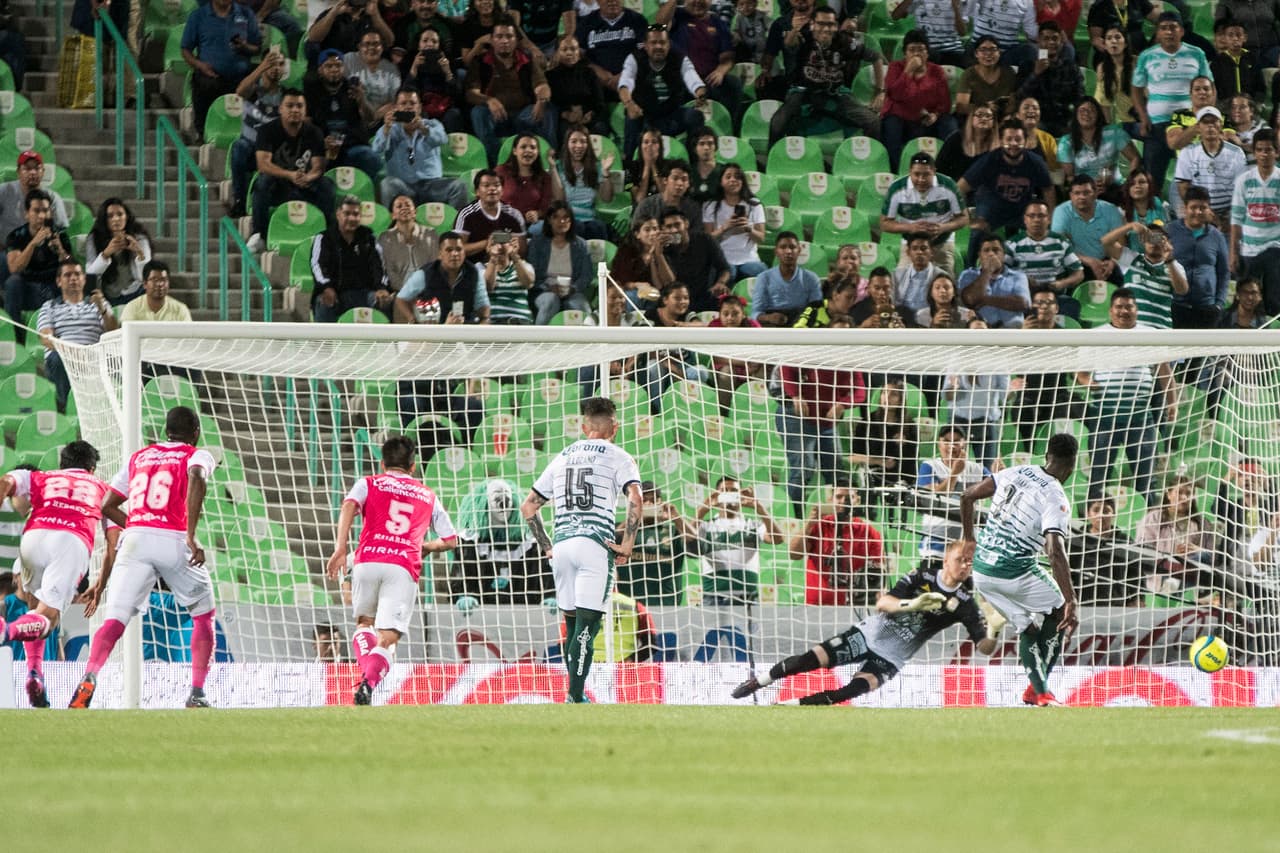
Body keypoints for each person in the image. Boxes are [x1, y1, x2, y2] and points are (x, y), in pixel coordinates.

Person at [69, 406, 218, 710]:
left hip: (134, 539)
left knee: (115, 619)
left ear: (165, 432)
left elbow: (107, 505)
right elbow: (197, 477)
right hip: (174, 539)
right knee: (203, 615)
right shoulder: (197, 454)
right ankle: (197, 692)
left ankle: (89, 676)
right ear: (196, 432)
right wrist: (190, 535)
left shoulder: (139, 457)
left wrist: (139, 524)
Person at [733, 540, 998, 704]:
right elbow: (883, 604)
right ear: (946, 559)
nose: (965, 566)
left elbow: (984, 647)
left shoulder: (965, 603)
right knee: (808, 660)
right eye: (960, 560)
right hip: (868, 635)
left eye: (969, 562)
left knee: (855, 689)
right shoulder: (921, 576)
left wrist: (994, 629)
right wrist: (913, 604)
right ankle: (759, 681)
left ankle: (792, 706)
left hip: (893, 656)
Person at [521, 396, 643, 703]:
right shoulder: (620, 456)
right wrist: (627, 544)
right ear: (614, 427)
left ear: (584, 425)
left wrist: (547, 546)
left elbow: (529, 506)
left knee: (573, 624)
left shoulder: (562, 456)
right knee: (588, 625)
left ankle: (575, 694)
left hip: (562, 545)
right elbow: (636, 498)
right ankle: (575, 695)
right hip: (594, 545)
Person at [325, 434, 457, 704]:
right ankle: (369, 682)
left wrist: (340, 548)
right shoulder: (426, 494)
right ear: (413, 465)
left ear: (382, 463)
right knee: (388, 639)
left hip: (367, 561)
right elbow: (451, 540)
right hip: (402, 566)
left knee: (364, 624)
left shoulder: (369, 483)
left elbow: (349, 504)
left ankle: (367, 673)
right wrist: (427, 547)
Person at [960, 433, 1079, 707]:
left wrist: (969, 538)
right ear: (1071, 466)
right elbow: (1054, 551)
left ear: (1046, 456)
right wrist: (1071, 599)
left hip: (982, 571)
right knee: (1060, 611)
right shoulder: (1055, 496)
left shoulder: (1015, 471)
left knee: (1027, 625)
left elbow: (967, 496)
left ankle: (1038, 693)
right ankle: (1039, 691)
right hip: (1013, 571)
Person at [0, 441, 113, 708]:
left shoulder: (41, 476)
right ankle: (5, 631)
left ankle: (34, 674)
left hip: (33, 537)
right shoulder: (103, 489)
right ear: (92, 468)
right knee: (48, 618)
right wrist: (101, 583)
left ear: (62, 464)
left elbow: (5, 482)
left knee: (34, 609)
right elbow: (112, 543)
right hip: (70, 542)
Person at [1074, 288, 1177, 508]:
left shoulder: (1150, 334)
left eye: (1129, 306)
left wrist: (1172, 402)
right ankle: (1092, 528)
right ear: (1110, 310)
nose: (1124, 311)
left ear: (1136, 310)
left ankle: (1148, 529)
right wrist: (1089, 383)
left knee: (1146, 479)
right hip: (1105, 416)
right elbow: (1081, 374)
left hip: (1141, 418)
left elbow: (1164, 371)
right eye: (1119, 306)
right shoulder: (1095, 335)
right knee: (1099, 476)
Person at [767, 5, 883, 147]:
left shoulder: (844, 41)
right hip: (803, 92)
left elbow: (877, 58)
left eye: (831, 24)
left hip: (835, 93)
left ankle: (870, 161)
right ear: (812, 24)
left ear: (836, 26)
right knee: (778, 122)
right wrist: (794, 30)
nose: (826, 29)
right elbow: (789, 44)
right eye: (821, 24)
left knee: (873, 121)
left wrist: (880, 91)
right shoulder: (803, 37)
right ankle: (772, 159)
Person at [1131, 11, 1211, 201]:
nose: (1168, 32)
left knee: (1193, 177)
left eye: (1173, 27)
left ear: (1181, 31)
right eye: (1164, 28)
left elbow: (1209, 86)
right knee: (1152, 178)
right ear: (1157, 33)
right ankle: (1155, 220)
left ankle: (1191, 216)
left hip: (1188, 126)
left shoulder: (1196, 53)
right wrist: (1143, 117)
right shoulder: (1147, 56)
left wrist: (1206, 115)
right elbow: (1136, 89)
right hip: (1156, 126)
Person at [248, 87, 336, 254]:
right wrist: (290, 175)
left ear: (305, 110)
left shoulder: (314, 132)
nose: (295, 110)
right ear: (280, 108)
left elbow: (318, 166)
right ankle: (260, 235)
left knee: (327, 185)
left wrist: (309, 178)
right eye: (290, 105)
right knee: (262, 182)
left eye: (299, 106)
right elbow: (263, 164)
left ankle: (328, 237)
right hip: (279, 185)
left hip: (303, 184)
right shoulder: (267, 131)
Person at [776, 361, 864, 517]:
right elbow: (786, 367)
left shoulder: (849, 360)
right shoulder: (811, 350)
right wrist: (795, 395)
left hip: (826, 422)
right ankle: (793, 518)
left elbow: (860, 392)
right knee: (804, 467)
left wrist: (843, 404)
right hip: (796, 416)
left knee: (835, 471)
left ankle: (839, 518)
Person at [465, 16, 556, 166]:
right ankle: (497, 165)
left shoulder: (527, 59)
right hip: (496, 117)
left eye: (509, 36)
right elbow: (471, 93)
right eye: (499, 36)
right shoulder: (480, 62)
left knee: (548, 110)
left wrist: (542, 100)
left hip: (523, 115)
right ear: (492, 40)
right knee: (478, 112)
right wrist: (489, 100)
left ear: (516, 40)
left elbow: (542, 86)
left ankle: (551, 162)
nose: (504, 41)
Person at [957, 121, 1054, 260]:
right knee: (977, 233)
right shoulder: (989, 160)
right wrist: (967, 217)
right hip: (991, 207)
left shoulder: (1036, 162)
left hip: (1022, 209)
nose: (1013, 143)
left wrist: (1050, 217)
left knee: (1044, 231)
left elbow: (1048, 189)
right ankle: (969, 271)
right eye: (1009, 139)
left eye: (1018, 139)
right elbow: (960, 188)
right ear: (1001, 141)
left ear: (1025, 142)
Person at [447, 478, 553, 606]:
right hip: (482, 614)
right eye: (497, 497)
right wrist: (463, 595)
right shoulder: (468, 544)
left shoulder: (531, 545)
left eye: (507, 497)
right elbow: (460, 575)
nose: (504, 504)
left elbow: (543, 574)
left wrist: (550, 595)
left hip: (523, 612)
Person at [786, 481, 885, 605]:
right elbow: (794, 554)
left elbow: (878, 570)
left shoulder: (868, 532)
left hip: (852, 605)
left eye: (849, 497)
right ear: (830, 499)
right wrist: (809, 523)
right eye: (839, 497)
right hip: (816, 604)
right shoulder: (818, 525)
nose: (843, 501)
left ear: (857, 501)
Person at [37, 261, 118, 412]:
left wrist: (102, 309)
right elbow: (46, 339)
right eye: (67, 275)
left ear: (84, 279)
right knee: (55, 358)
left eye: (77, 274)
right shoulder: (49, 306)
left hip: (93, 357)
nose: (73, 278)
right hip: (64, 357)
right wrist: (72, 352)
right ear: (59, 281)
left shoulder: (99, 303)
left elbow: (113, 332)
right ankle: (64, 406)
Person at [617, 25, 707, 161]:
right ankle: (630, 166)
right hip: (644, 115)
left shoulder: (679, 58)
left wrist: (700, 92)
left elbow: (692, 77)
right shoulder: (634, 58)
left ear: (669, 45)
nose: (658, 46)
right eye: (654, 43)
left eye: (662, 42)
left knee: (695, 116)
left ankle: (693, 163)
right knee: (632, 117)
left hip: (671, 116)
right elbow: (625, 83)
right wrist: (629, 104)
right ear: (646, 45)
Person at [374, 88, 469, 210]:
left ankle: (457, 227)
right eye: (403, 104)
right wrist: (386, 129)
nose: (408, 107)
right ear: (396, 108)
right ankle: (392, 227)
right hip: (404, 186)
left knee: (459, 186)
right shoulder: (388, 129)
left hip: (432, 186)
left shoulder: (432, 124)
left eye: (412, 103)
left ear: (419, 107)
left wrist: (423, 129)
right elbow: (377, 150)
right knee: (387, 184)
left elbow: (442, 140)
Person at [656, 0, 745, 128]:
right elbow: (660, 24)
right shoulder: (677, 15)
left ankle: (729, 129)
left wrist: (721, 70)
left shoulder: (717, 22)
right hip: (681, 81)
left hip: (708, 80)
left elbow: (727, 57)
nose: (698, 2)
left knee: (733, 84)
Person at [880, 31, 957, 173]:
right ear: (905, 53)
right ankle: (896, 172)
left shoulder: (936, 70)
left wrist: (935, 114)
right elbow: (895, 94)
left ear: (927, 53)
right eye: (912, 50)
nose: (917, 54)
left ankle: (948, 170)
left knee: (949, 123)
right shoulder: (895, 67)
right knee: (891, 124)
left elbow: (944, 102)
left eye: (921, 49)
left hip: (927, 122)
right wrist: (909, 70)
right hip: (903, 121)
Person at [182, 0, 261, 137]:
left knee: (255, 84)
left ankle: (250, 135)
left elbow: (257, 48)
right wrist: (199, 65)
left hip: (241, 78)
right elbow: (185, 50)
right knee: (203, 83)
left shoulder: (246, 14)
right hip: (211, 76)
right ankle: (203, 133)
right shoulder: (198, 16)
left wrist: (244, 46)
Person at [880, 152, 967, 276]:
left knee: (945, 284)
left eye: (926, 174)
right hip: (911, 245)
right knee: (902, 280)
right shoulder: (897, 189)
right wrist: (910, 228)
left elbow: (964, 218)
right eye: (916, 174)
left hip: (942, 242)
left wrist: (943, 228)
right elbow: (884, 224)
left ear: (934, 171)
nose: (921, 179)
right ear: (910, 171)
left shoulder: (948, 186)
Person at [5, 189, 73, 344]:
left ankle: (63, 340)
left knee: (67, 281)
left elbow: (71, 268)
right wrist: (33, 243)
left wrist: (61, 251)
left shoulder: (60, 235)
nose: (42, 216)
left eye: (45, 211)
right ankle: (16, 340)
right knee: (12, 282)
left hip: (52, 287)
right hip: (27, 289)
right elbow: (14, 268)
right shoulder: (16, 236)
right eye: (36, 211)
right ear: (27, 213)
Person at [311, 195, 393, 322]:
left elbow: (379, 265)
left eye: (356, 214)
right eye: (347, 213)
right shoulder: (324, 238)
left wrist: (381, 288)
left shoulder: (368, 237)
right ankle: (324, 341)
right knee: (325, 302)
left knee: (385, 301)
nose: (352, 218)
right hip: (335, 292)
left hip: (365, 293)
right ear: (338, 214)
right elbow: (317, 266)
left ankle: (387, 341)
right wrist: (326, 287)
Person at [227, 49, 286, 219]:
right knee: (239, 146)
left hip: (273, 153)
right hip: (251, 149)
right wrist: (262, 67)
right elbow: (239, 92)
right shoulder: (253, 91)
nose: (276, 68)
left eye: (280, 64)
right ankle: (239, 201)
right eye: (272, 63)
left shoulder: (286, 95)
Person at [306, 49, 382, 179]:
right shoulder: (312, 91)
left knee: (370, 157)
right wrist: (320, 142)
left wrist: (361, 99)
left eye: (338, 65)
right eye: (329, 66)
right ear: (320, 70)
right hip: (324, 147)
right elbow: (306, 124)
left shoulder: (352, 88)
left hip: (351, 146)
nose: (334, 69)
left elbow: (371, 119)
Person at [617, 481, 695, 606]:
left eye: (653, 500)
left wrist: (676, 517)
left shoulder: (673, 532)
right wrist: (634, 517)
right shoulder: (624, 530)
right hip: (629, 607)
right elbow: (611, 544)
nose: (648, 504)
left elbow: (697, 547)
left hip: (667, 607)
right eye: (643, 500)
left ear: (660, 503)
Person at [1100, 220, 1189, 329]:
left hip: (1161, 330)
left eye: (1158, 238)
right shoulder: (1131, 259)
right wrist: (1130, 226)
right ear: (1142, 240)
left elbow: (1182, 290)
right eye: (1149, 237)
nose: (1153, 242)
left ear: (1167, 241)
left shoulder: (1174, 266)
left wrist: (1169, 260)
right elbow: (1105, 242)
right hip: (1133, 329)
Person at [1230, 128, 1280, 315]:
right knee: (1247, 301)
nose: (1264, 154)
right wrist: (1233, 253)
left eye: (1268, 149)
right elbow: (1236, 219)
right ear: (1254, 152)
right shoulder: (1244, 181)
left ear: (1276, 152)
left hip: (1275, 247)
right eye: (1259, 149)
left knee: (1274, 300)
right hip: (1249, 249)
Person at [1005, 200, 1084, 317]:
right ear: (1025, 219)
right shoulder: (1013, 244)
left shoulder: (1061, 242)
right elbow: (1001, 273)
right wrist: (1021, 280)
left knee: (1072, 305)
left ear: (1048, 219)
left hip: (1054, 296)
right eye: (1032, 216)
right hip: (1026, 295)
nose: (1036, 220)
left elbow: (1079, 274)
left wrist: (1062, 283)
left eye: (1041, 216)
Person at [1166, 185, 1230, 329]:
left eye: (1203, 208)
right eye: (1193, 207)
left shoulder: (1217, 236)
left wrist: (1219, 303)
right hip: (1176, 305)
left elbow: (1224, 272)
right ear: (1185, 208)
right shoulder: (1170, 230)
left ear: (1209, 210)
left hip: (1207, 308)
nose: (1198, 212)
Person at [394, 230, 490, 325]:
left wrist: (484, 320)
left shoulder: (474, 273)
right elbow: (401, 299)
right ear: (440, 254)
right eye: (449, 250)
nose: (454, 254)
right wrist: (413, 320)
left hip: (465, 329)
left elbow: (483, 306)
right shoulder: (424, 274)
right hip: (433, 331)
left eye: (459, 249)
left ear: (464, 253)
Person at [1136, 474, 1216, 586]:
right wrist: (1172, 556)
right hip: (1161, 573)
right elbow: (1143, 552)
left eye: (1189, 493)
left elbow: (1213, 558)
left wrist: (1198, 550)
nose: (1184, 497)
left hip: (1191, 576)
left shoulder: (1202, 524)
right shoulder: (1153, 518)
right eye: (1179, 492)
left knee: (1203, 555)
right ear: (1168, 494)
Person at [1173, 106, 1248, 222]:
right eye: (1205, 122)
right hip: (1199, 209)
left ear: (1221, 125)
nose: (1210, 126)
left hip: (1229, 211)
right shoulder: (1187, 152)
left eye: (1214, 122)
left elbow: (1241, 189)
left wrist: (1229, 216)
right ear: (1198, 127)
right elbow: (1183, 188)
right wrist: (1205, 212)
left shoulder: (1236, 153)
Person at [1051, 174, 1126, 286]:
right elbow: (1061, 247)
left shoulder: (1110, 210)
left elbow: (1121, 240)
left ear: (1095, 194)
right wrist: (1089, 261)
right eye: (1077, 193)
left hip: (1105, 260)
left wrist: (1112, 262)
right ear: (1071, 195)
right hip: (1075, 261)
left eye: (1086, 193)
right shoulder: (1061, 212)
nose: (1082, 197)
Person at [1057, 97, 1141, 195]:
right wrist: (1089, 187)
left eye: (1091, 110)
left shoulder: (1114, 133)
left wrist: (1129, 184)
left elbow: (1135, 158)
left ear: (1098, 114)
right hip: (1083, 192)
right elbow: (1070, 177)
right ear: (1075, 115)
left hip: (1114, 188)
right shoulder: (1066, 142)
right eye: (1082, 110)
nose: (1086, 113)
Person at [528, 201, 593, 324]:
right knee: (551, 301)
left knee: (582, 308)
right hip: (543, 291)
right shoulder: (537, 243)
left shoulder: (581, 245)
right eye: (556, 217)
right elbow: (532, 274)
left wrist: (572, 289)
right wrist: (548, 287)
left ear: (571, 221)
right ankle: (538, 340)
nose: (561, 221)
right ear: (549, 220)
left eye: (565, 217)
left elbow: (586, 275)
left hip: (572, 291)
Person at [849, 378, 920, 487]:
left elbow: (914, 459)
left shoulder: (909, 425)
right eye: (884, 392)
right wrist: (878, 461)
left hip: (902, 479)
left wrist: (906, 444)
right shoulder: (867, 422)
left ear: (901, 400)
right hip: (875, 476)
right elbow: (852, 457)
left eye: (894, 394)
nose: (887, 397)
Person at [1015, 22, 1082, 137]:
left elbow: (1079, 96)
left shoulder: (1070, 67)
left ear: (1061, 42)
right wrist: (1035, 74)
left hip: (1063, 119)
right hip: (1036, 118)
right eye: (1046, 38)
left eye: (1055, 38)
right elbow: (1019, 97)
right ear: (1039, 42)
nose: (1051, 42)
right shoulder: (1027, 65)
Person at [702, 164, 766, 281]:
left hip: (749, 258)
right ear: (721, 182)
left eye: (737, 177)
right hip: (723, 258)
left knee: (761, 273)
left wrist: (748, 229)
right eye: (728, 177)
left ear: (742, 182)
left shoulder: (754, 204)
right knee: (727, 274)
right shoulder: (711, 206)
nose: (733, 180)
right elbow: (707, 240)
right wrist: (724, 228)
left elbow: (761, 238)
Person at [83, 198, 153, 305]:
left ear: (127, 217)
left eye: (120, 214)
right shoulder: (94, 238)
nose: (116, 219)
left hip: (134, 291)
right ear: (104, 220)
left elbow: (145, 277)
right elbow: (91, 274)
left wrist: (139, 253)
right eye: (110, 216)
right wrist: (106, 253)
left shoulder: (139, 238)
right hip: (106, 293)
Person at [660, 208, 731, 312]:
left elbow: (725, 268)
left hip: (706, 296)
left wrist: (720, 283)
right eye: (669, 227)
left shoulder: (705, 239)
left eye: (677, 225)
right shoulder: (662, 250)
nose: (674, 230)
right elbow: (668, 283)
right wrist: (658, 254)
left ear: (686, 224)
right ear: (663, 229)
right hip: (677, 301)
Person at [0, 151, 69, 254]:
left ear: (43, 171)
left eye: (37, 168)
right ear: (18, 171)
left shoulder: (53, 198)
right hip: (6, 251)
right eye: (27, 168)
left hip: (41, 253)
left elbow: (61, 230)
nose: (32, 172)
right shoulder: (3, 191)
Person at [574, 0, 648, 96]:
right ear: (598, 1)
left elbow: (645, 54)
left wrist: (625, 75)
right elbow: (578, 55)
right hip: (597, 83)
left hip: (632, 81)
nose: (612, 2)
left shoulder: (638, 20)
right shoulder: (586, 23)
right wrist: (595, 70)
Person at [958, 234, 1031, 328]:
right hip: (980, 332)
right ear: (980, 256)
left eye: (996, 250)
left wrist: (985, 300)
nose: (991, 254)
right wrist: (987, 271)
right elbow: (970, 300)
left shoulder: (1018, 276)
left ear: (1003, 255)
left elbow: (1023, 304)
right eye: (986, 250)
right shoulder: (968, 275)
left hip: (1012, 332)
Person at [399, 26, 463, 134]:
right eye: (425, 41)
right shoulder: (409, 61)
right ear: (418, 45)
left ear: (439, 45)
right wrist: (414, 68)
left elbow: (457, 94)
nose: (429, 44)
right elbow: (404, 92)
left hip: (444, 107)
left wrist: (447, 72)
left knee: (454, 114)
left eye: (434, 41)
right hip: (420, 108)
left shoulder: (447, 61)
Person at [456, 169, 528, 263]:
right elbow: (457, 249)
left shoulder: (514, 215)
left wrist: (511, 248)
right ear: (477, 191)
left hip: (506, 266)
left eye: (497, 185)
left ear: (502, 191)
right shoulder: (466, 214)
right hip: (475, 267)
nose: (492, 189)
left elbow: (522, 251)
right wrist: (487, 242)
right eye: (486, 185)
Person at [496, 134, 566, 232]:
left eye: (533, 147)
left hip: (532, 227)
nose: (528, 150)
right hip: (505, 224)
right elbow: (489, 196)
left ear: (537, 152)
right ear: (515, 151)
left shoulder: (543, 176)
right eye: (523, 147)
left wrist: (538, 214)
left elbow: (547, 205)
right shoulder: (501, 171)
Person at [751, 231, 822, 327]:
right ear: (776, 251)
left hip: (801, 324)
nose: (788, 251)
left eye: (792, 247)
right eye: (783, 247)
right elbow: (755, 314)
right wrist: (769, 318)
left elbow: (817, 310)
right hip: (773, 326)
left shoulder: (811, 278)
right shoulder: (763, 278)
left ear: (799, 250)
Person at [558, 125, 615, 240]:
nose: (578, 146)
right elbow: (557, 200)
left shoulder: (596, 166)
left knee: (599, 227)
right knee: (577, 227)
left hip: (590, 219)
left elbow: (607, 198)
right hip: (567, 219)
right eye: (574, 141)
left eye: (583, 142)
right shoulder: (558, 166)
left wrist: (605, 173)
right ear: (567, 144)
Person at [547, 35, 608, 138]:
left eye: (573, 49)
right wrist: (566, 114)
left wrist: (590, 114)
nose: (569, 53)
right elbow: (552, 104)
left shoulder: (589, 73)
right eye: (564, 49)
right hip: (565, 119)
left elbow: (599, 101)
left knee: (599, 127)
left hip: (588, 116)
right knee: (566, 131)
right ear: (557, 53)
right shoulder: (551, 76)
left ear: (579, 52)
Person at [379, 194, 440, 292]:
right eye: (399, 206)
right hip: (400, 292)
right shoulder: (386, 238)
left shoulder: (430, 234)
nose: (404, 208)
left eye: (407, 205)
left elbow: (434, 267)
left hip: (428, 290)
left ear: (415, 212)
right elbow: (390, 272)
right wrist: (407, 292)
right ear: (393, 215)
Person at [609, 214, 675, 303]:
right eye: (647, 230)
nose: (653, 233)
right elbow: (618, 281)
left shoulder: (665, 250)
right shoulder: (626, 251)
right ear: (637, 235)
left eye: (655, 229)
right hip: (631, 293)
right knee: (633, 296)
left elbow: (668, 283)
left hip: (656, 295)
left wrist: (658, 255)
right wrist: (636, 285)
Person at [344, 30, 402, 124]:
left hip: (382, 119)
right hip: (352, 116)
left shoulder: (391, 69)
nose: (371, 47)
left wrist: (375, 116)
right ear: (359, 46)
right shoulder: (349, 60)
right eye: (367, 44)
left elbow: (395, 101)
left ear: (382, 47)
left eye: (376, 44)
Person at [953, 37, 1016, 118]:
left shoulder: (1008, 72)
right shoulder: (969, 74)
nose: (988, 53)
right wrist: (985, 107)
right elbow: (961, 107)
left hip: (1002, 117)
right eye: (983, 49)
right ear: (976, 54)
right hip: (976, 118)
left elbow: (1013, 103)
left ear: (999, 53)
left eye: (993, 49)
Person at [483, 228, 536, 324]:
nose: (499, 246)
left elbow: (528, 283)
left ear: (510, 244)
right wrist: (493, 258)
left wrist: (515, 256)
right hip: (494, 322)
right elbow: (488, 287)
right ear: (488, 247)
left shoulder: (524, 265)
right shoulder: (480, 268)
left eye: (503, 241)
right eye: (495, 242)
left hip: (521, 321)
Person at [307, 0, 394, 57]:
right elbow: (314, 38)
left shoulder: (375, 15)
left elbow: (389, 41)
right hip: (335, 67)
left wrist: (375, 15)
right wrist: (333, 13)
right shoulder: (334, 13)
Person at [936, 104, 998, 183]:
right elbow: (939, 168)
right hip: (954, 186)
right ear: (971, 118)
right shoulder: (956, 138)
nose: (983, 118)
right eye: (979, 115)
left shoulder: (999, 145)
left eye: (988, 116)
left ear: (994, 122)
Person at [632, 159, 701, 231]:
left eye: (684, 179)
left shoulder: (693, 208)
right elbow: (635, 234)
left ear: (688, 184)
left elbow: (697, 238)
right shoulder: (646, 206)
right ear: (665, 180)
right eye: (675, 178)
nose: (680, 183)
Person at [967, 0, 1038, 69]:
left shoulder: (1027, 2)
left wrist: (1040, 11)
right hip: (980, 50)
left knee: (1031, 49)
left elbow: (1031, 32)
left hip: (1005, 53)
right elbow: (968, 10)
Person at [892, 0, 964, 67]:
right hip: (925, 48)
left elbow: (962, 32)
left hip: (952, 48)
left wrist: (956, 8)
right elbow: (895, 16)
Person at [120, 261, 195, 323]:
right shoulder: (132, 308)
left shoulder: (180, 309)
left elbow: (187, 338)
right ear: (145, 284)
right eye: (154, 280)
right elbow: (127, 337)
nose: (160, 284)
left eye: (163, 280)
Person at [1211, 19, 1265, 104]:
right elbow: (1214, 89)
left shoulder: (1252, 59)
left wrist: (1256, 103)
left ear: (1245, 38)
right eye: (1230, 35)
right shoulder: (1217, 62)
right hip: (1225, 107)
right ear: (1225, 38)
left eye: (1238, 35)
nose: (1235, 38)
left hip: (1249, 105)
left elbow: (1260, 87)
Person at [1093, 26, 1136, 126]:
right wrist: (1109, 128)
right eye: (1109, 38)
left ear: (1125, 43)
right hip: (1124, 123)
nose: (1113, 41)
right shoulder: (1102, 68)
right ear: (1105, 45)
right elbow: (1103, 102)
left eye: (1117, 37)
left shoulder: (1138, 63)